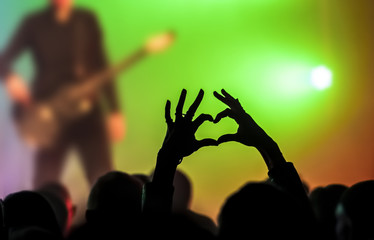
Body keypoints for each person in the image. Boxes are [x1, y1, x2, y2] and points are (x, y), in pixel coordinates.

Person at [0, 0, 125, 188]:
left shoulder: (86, 20)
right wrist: (10, 78)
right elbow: (4, 58)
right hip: (49, 116)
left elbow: (102, 65)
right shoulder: (33, 23)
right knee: (44, 183)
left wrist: (115, 110)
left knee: (103, 178)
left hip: (87, 112)